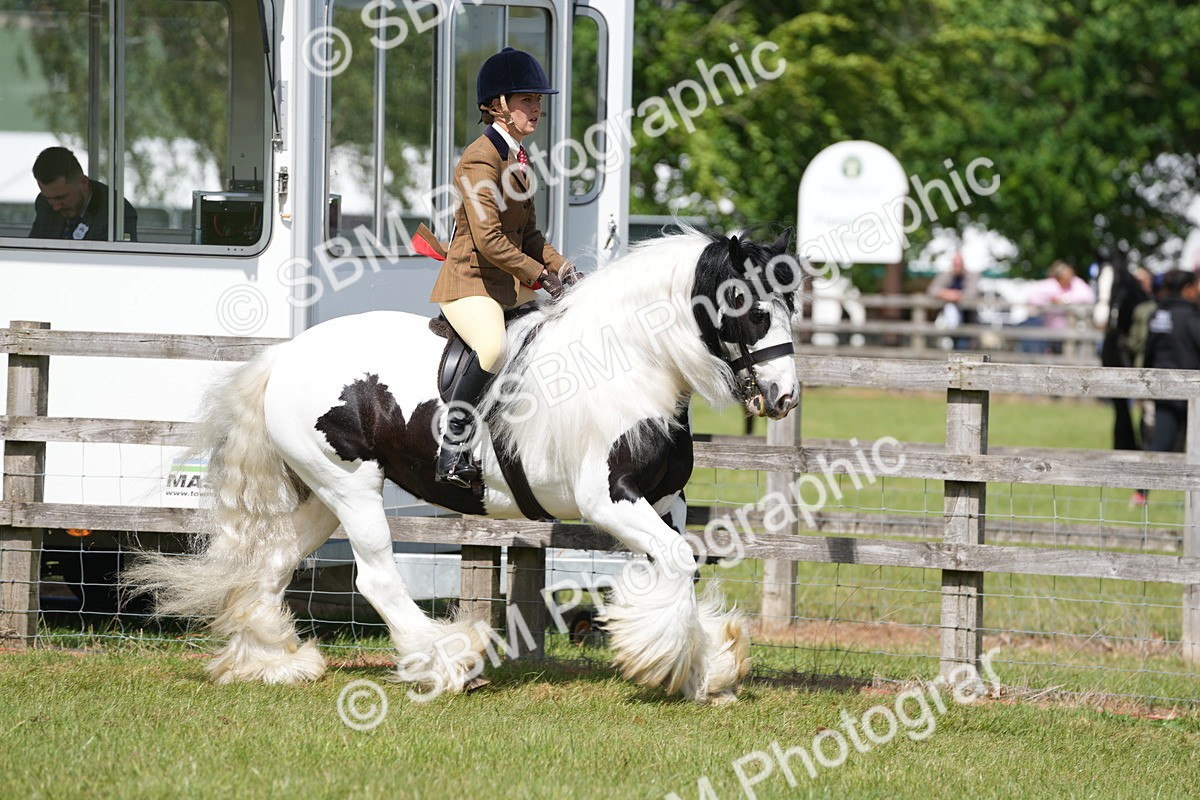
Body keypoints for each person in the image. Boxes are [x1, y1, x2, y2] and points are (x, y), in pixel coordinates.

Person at [428, 47, 574, 487]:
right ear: (499, 105)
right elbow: (489, 239)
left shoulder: (519, 160)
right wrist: (538, 275)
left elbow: (529, 236)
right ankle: (451, 450)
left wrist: (565, 271)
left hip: (505, 284)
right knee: (493, 348)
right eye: (528, 100)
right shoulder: (480, 159)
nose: (538, 109)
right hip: (470, 283)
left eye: (539, 100)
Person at [28, 146, 138, 242]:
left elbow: (117, 262)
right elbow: (32, 251)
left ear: (84, 183)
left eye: (61, 197)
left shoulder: (116, 213)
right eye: (48, 198)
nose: (55, 207)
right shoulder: (44, 204)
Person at [1024, 260, 1096, 354]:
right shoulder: (1050, 284)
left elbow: (1089, 296)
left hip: (1073, 331)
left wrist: (1065, 300)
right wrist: (1050, 300)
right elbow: (1033, 298)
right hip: (1052, 331)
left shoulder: (1076, 283)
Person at [926, 250, 980, 350]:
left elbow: (971, 293)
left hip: (968, 319)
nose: (957, 266)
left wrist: (957, 296)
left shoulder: (972, 275)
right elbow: (932, 290)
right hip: (949, 321)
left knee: (966, 348)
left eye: (959, 263)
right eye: (955, 263)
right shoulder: (946, 275)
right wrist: (947, 294)